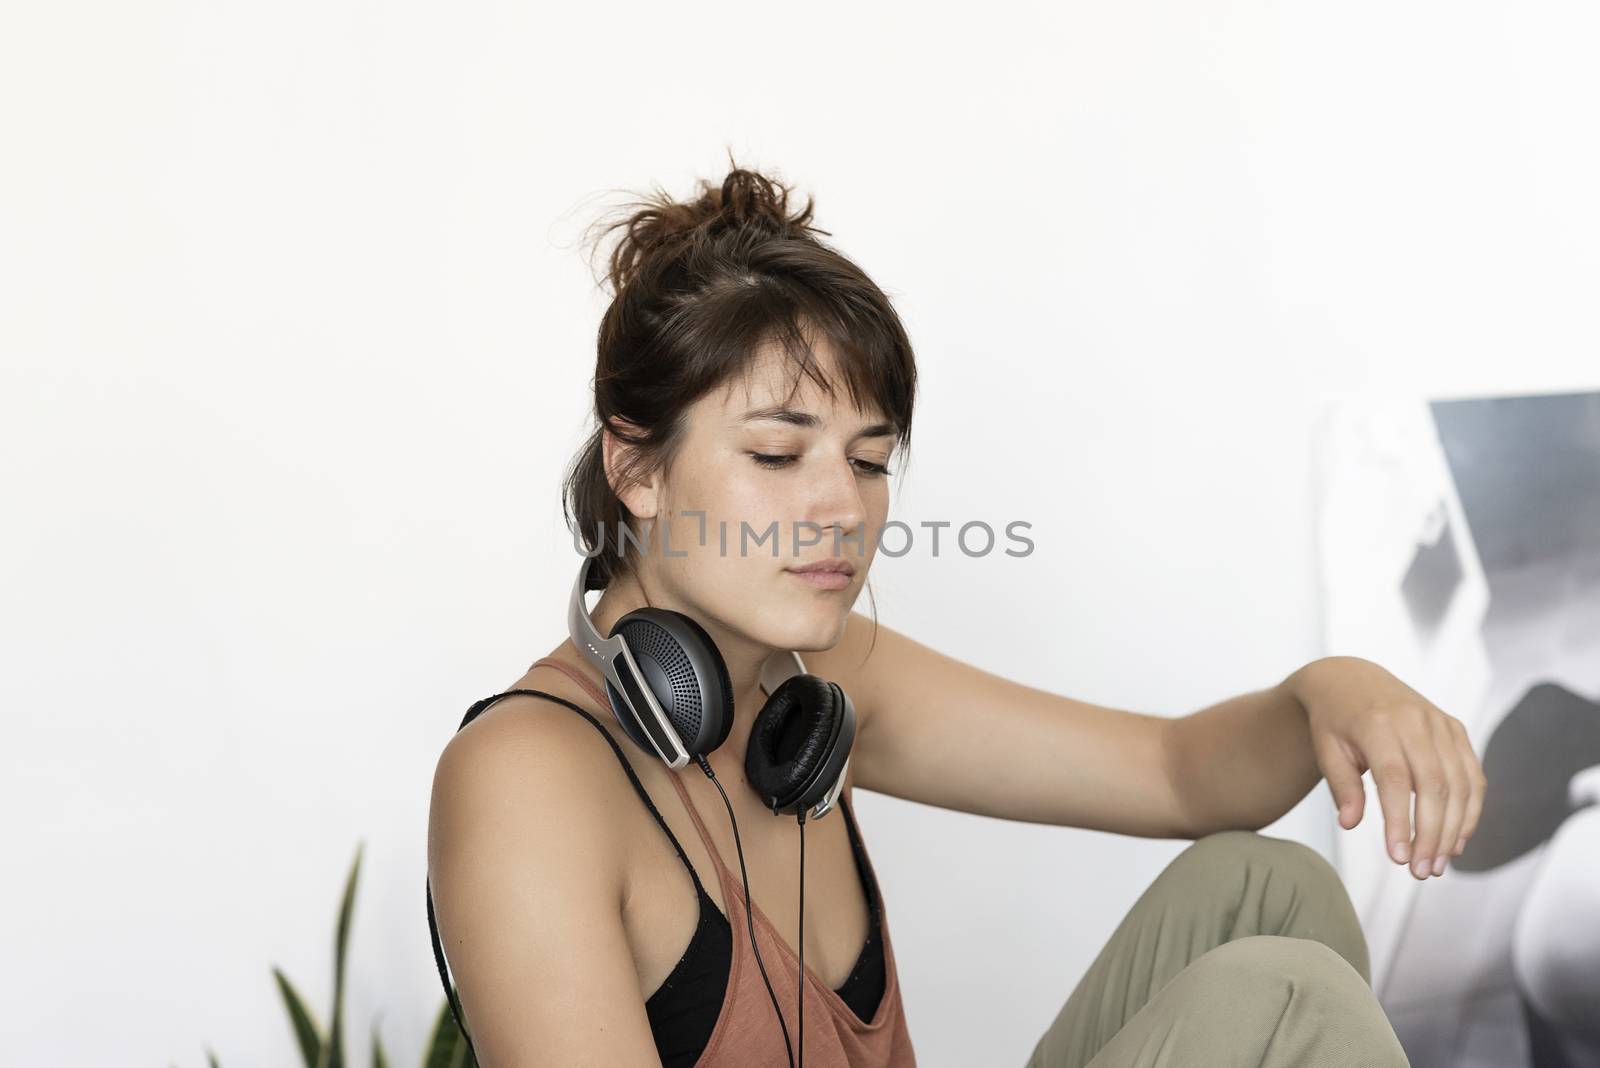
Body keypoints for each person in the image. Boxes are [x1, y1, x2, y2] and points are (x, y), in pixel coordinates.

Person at [426, 160, 1487, 1067]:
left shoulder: (822, 681)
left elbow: (1176, 774)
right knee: (1282, 999)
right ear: (636, 468)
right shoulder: (529, 777)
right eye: (776, 454)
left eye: (869, 459)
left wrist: (1327, 691)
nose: (842, 505)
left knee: (1263, 888)